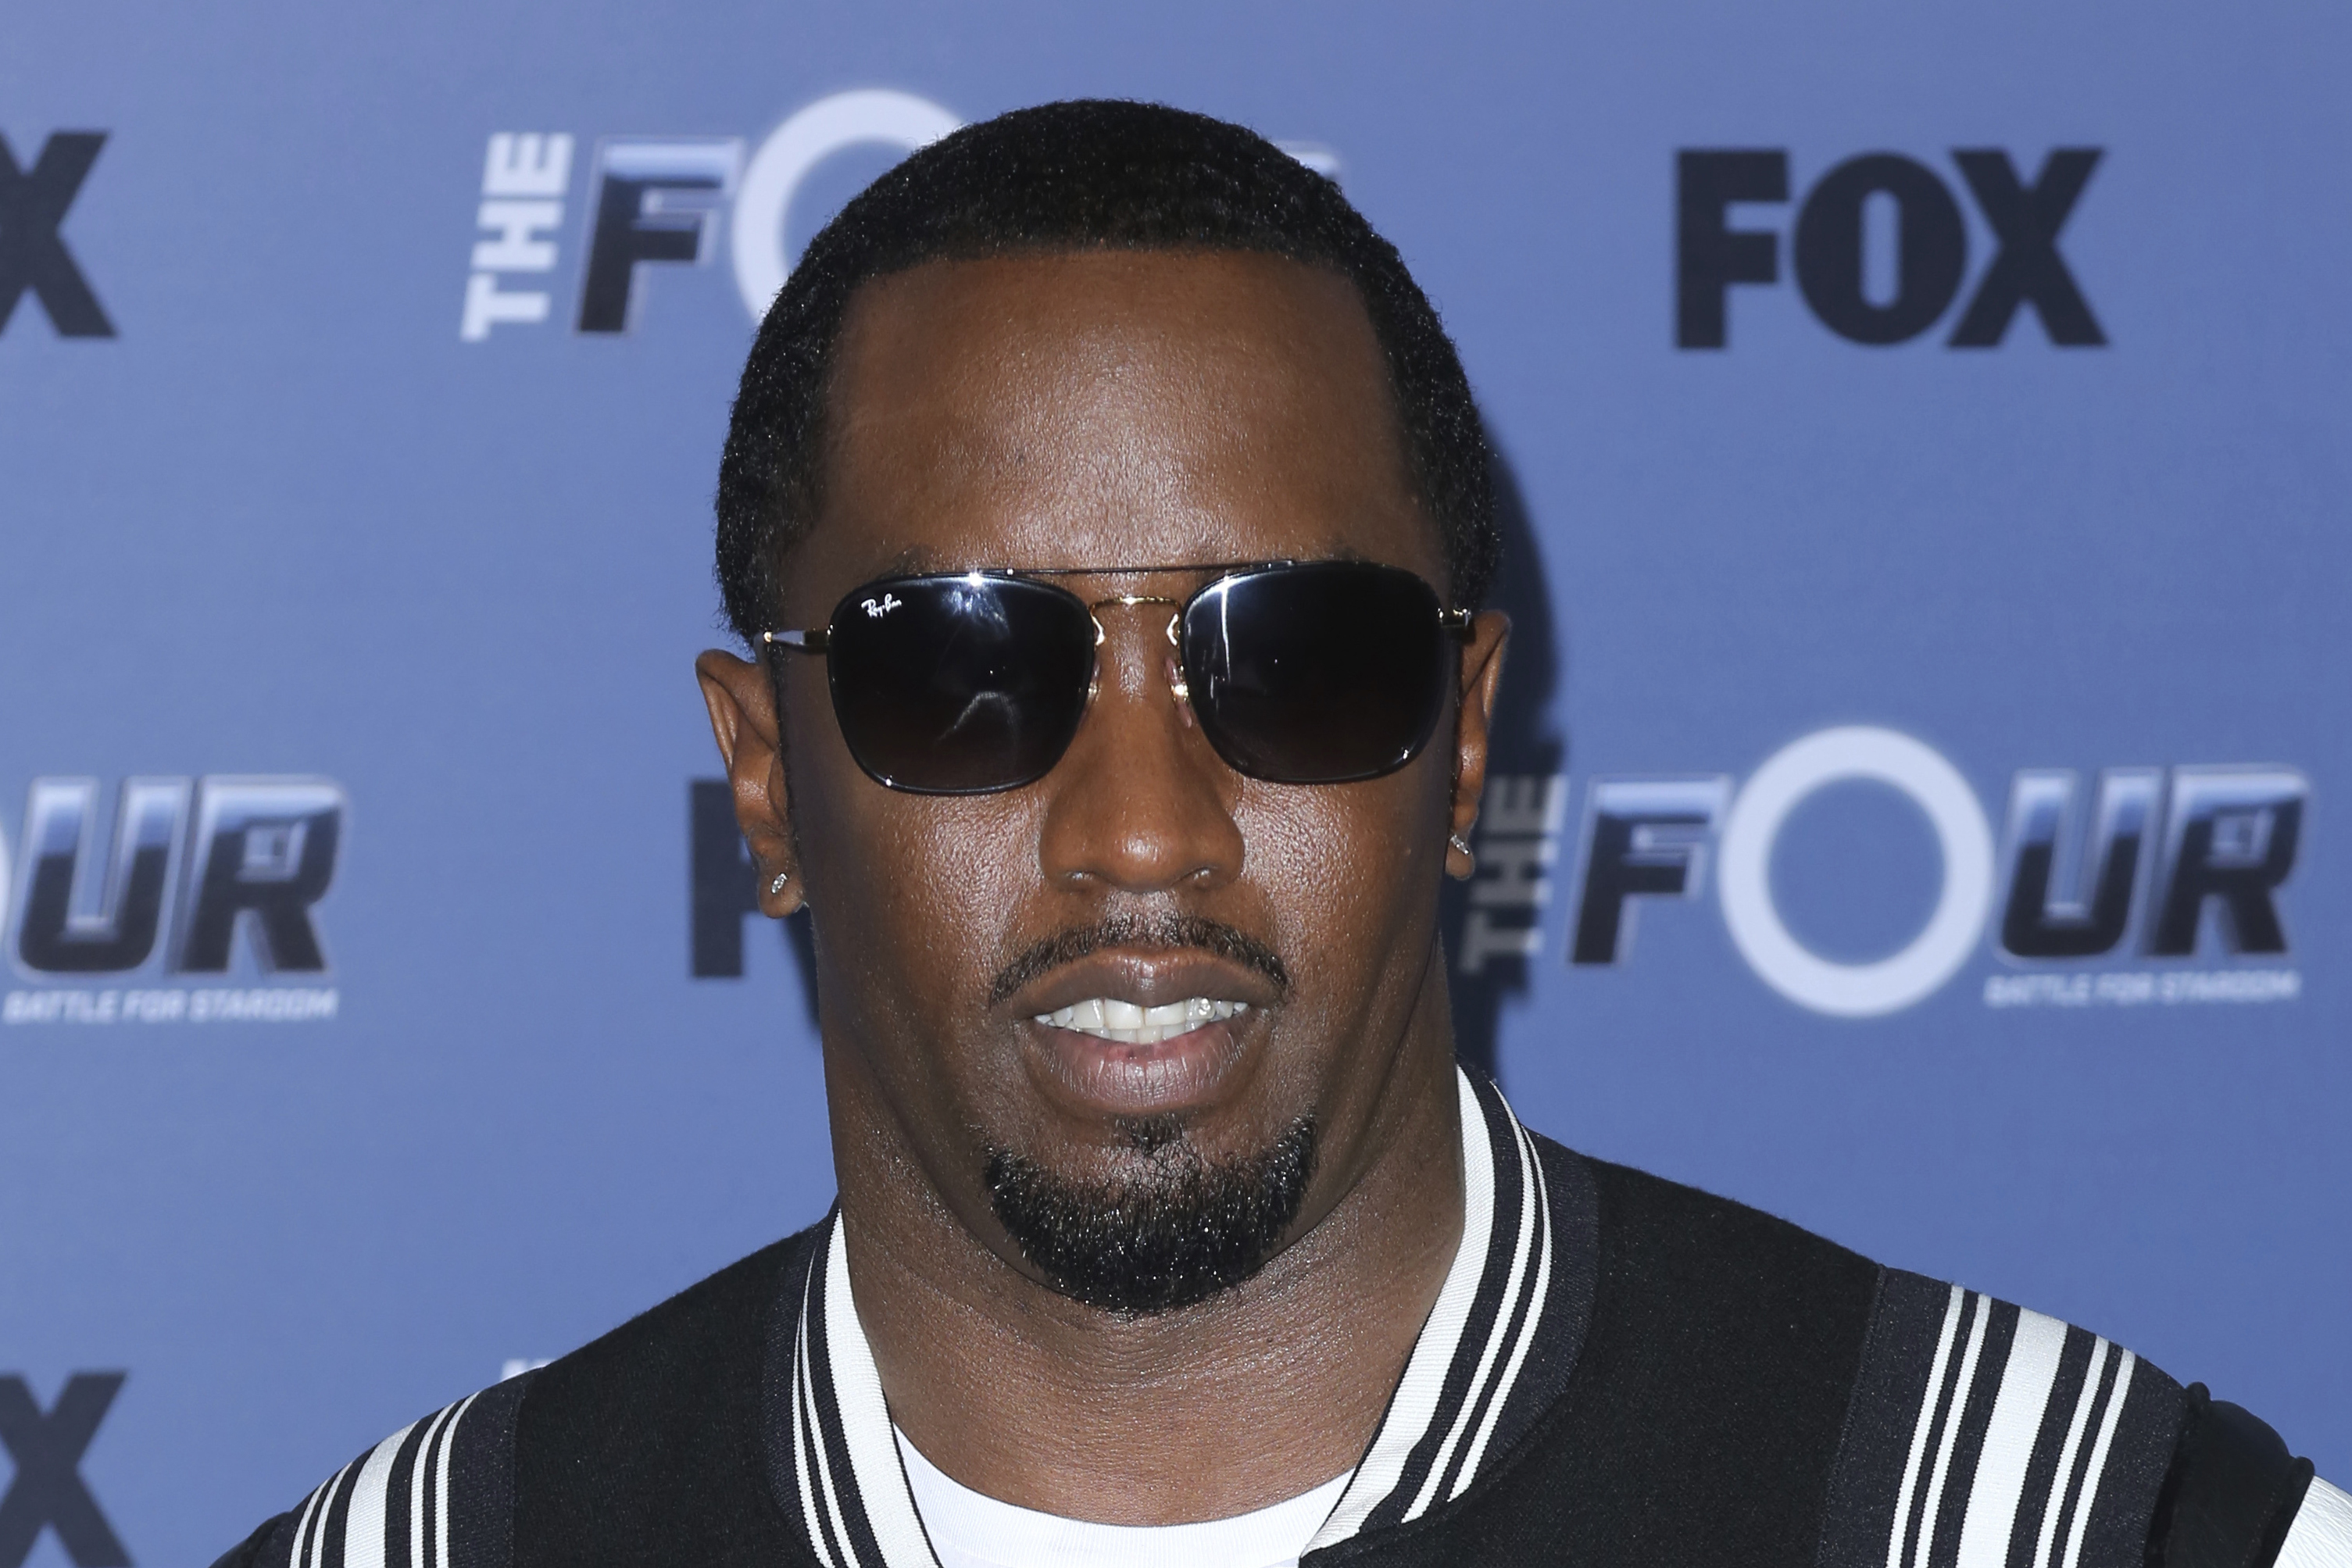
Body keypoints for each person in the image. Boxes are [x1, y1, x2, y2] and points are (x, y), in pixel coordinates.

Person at [213, 100, 2347, 1568]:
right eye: (964, 667)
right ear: (764, 774)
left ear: (1465, 731)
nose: (1142, 836)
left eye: (1297, 663)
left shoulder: (2028, 1520)